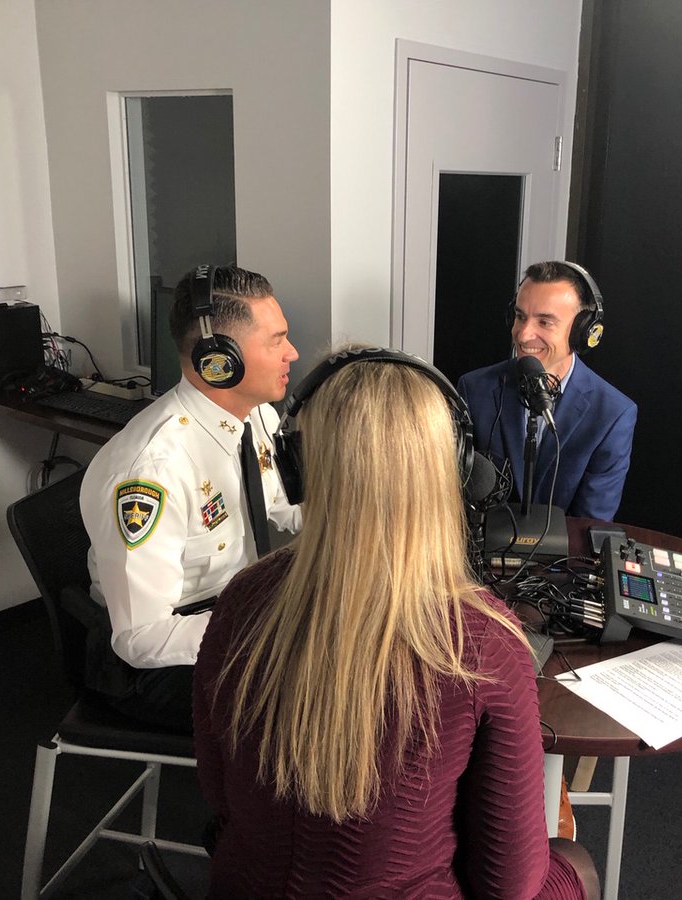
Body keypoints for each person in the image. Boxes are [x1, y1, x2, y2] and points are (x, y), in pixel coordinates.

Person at [193, 347, 599, 898]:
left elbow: (217, 792)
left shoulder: (242, 598)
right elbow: (510, 885)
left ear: (299, 469)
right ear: (455, 474)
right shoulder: (482, 643)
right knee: (575, 862)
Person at [80, 265, 301, 732]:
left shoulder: (257, 416)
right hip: (156, 658)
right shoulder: (151, 473)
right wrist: (267, 631)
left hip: (234, 605)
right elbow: (141, 637)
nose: (292, 353)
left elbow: (283, 505)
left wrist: (367, 519)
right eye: (276, 341)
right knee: (310, 701)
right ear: (219, 359)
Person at [457, 260, 637, 522]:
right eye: (520, 316)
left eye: (544, 322)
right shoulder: (474, 389)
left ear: (583, 333)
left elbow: (589, 524)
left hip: (564, 548)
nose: (523, 335)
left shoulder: (612, 415)